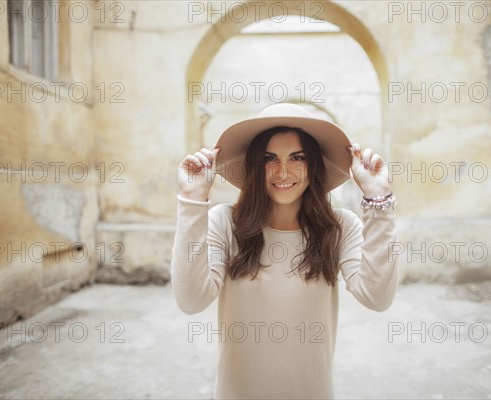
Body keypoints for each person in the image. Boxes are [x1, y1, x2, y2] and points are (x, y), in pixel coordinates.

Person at [171, 103, 399, 400]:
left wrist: (377, 199)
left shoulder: (340, 227)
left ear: (314, 164)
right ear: (255, 165)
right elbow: (190, 300)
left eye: (297, 157)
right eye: (269, 158)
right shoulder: (225, 223)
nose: (283, 171)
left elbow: (378, 297)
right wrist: (192, 200)